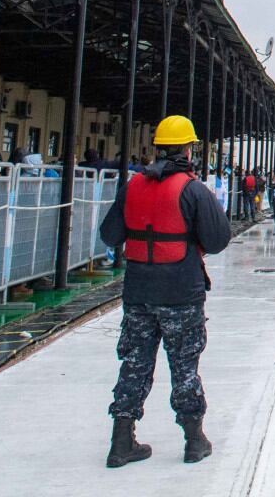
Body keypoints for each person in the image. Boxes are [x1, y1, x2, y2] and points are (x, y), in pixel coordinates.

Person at [98, 115, 229, 468]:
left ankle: (121, 441)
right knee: (184, 366)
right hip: (181, 293)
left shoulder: (132, 188)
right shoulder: (193, 191)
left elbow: (109, 235)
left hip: (138, 293)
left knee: (134, 364)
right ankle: (194, 440)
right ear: (189, 149)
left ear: (157, 147)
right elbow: (218, 240)